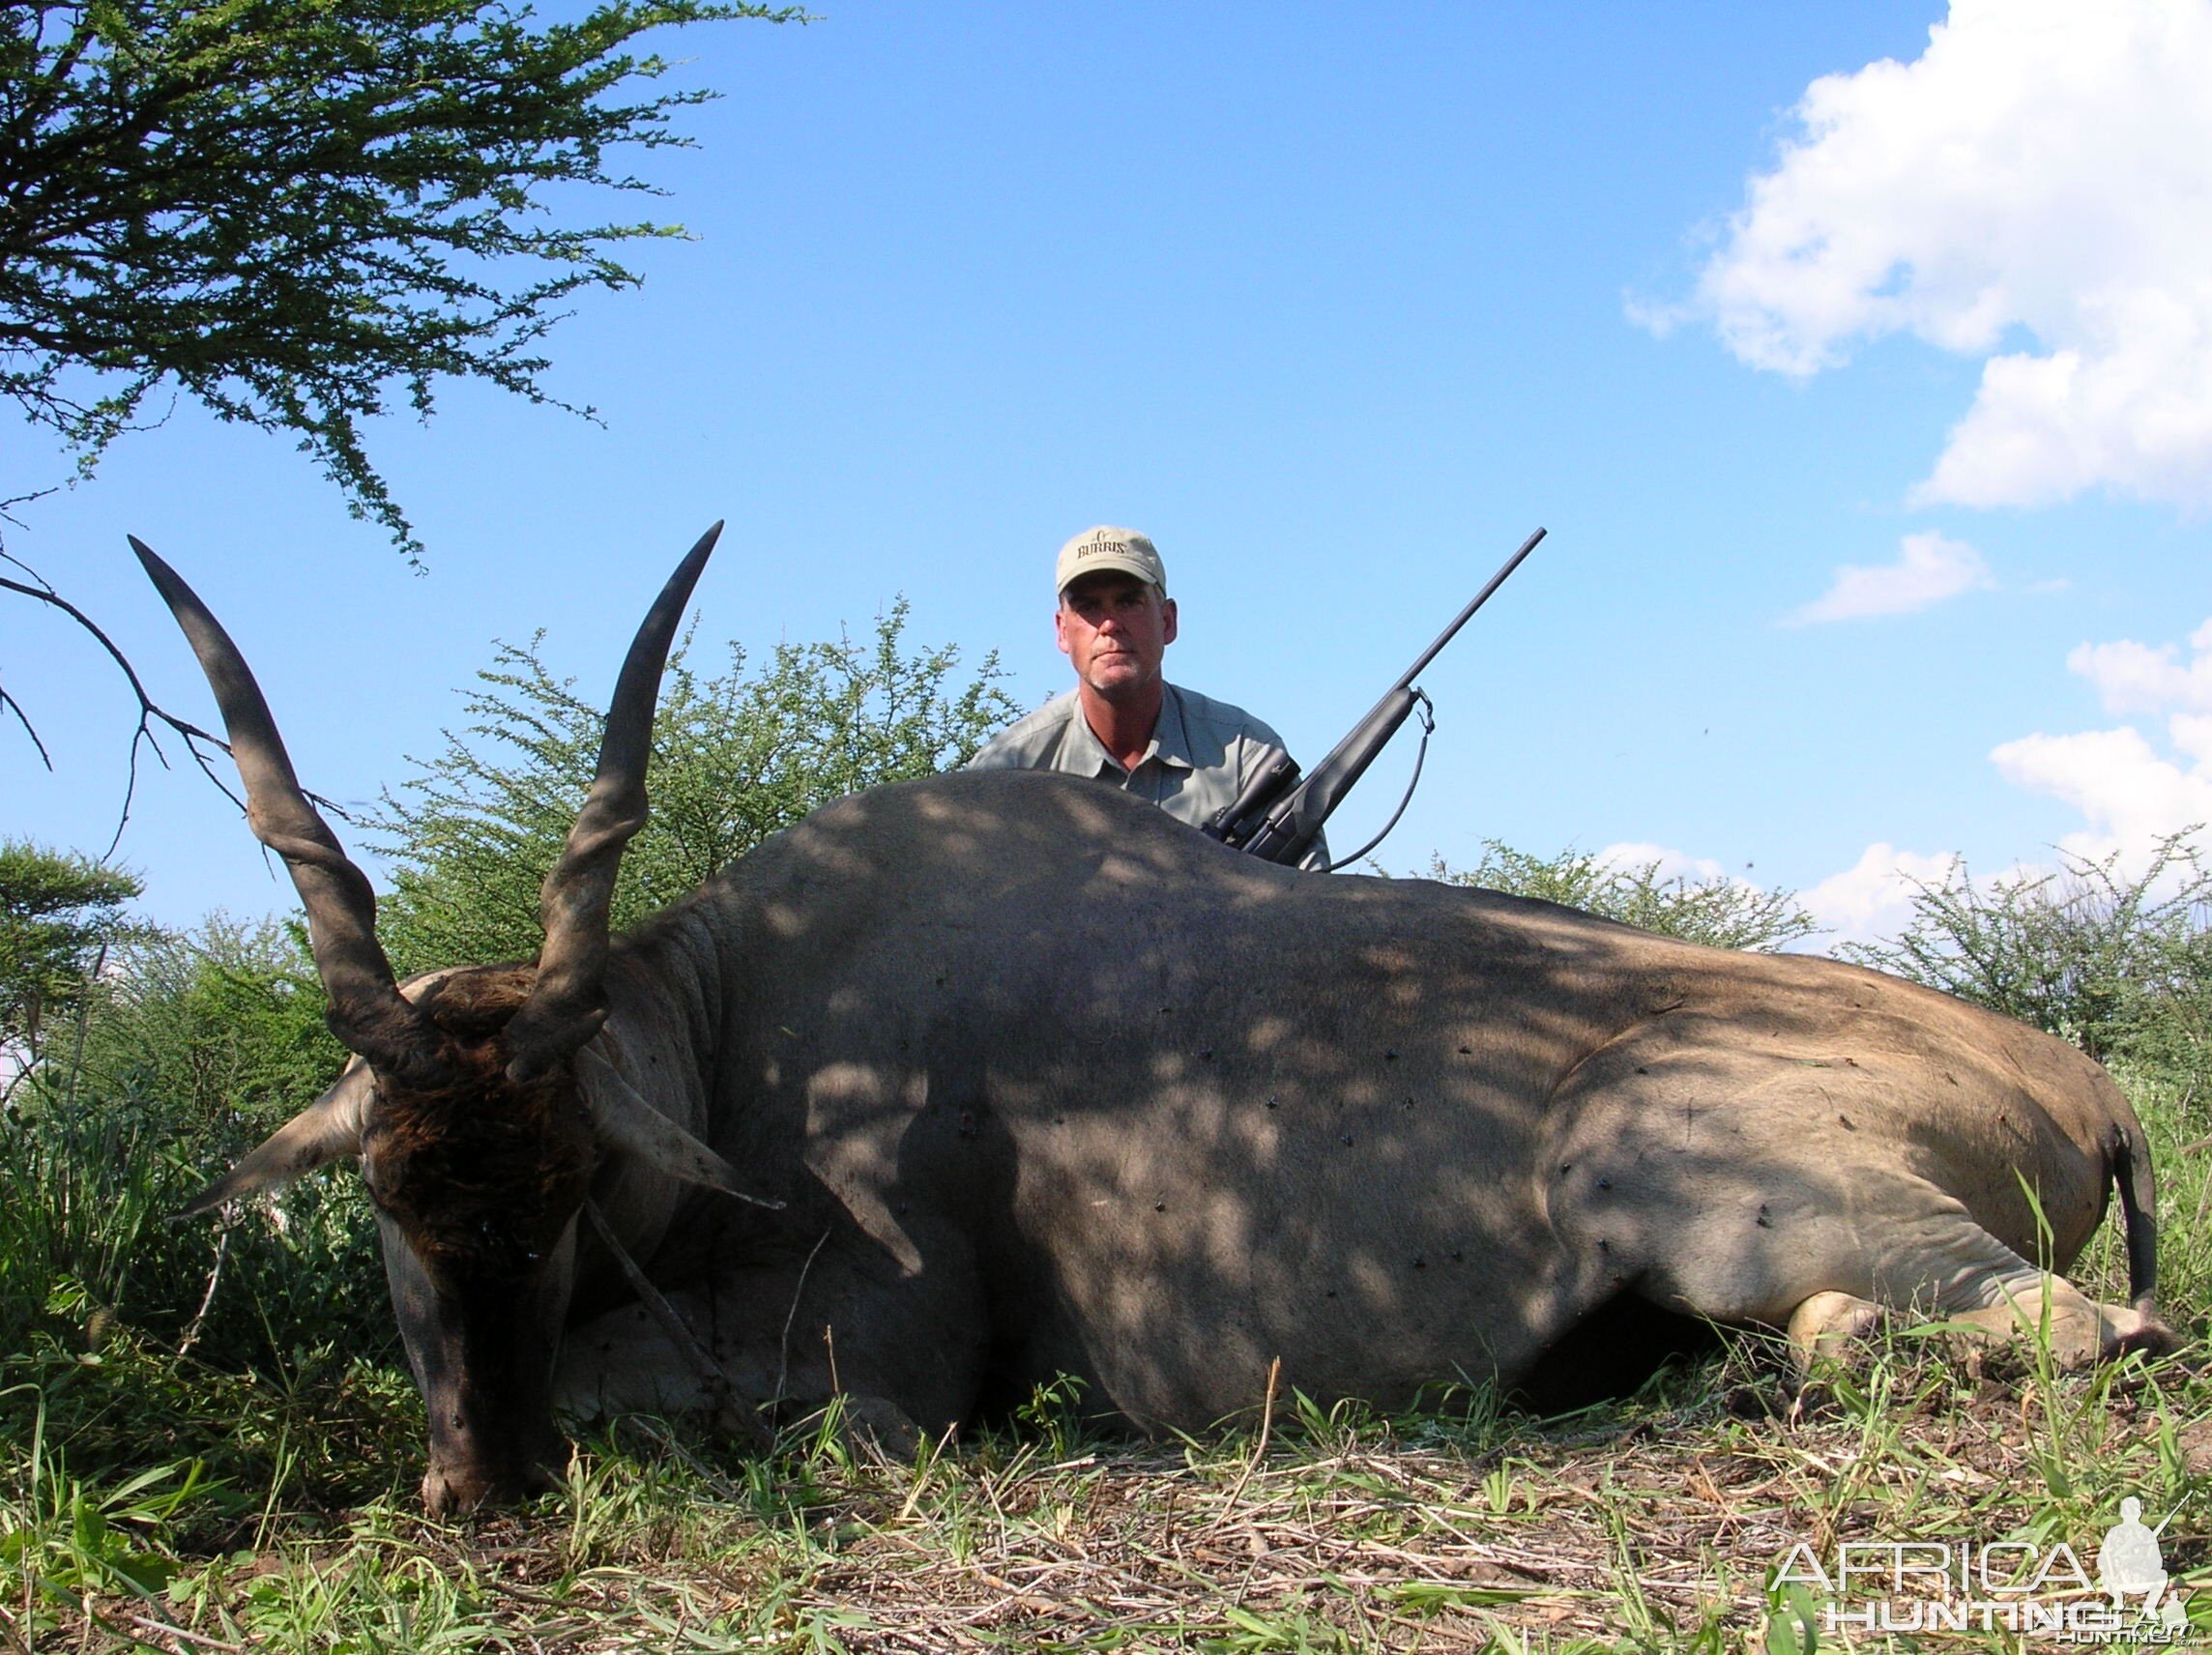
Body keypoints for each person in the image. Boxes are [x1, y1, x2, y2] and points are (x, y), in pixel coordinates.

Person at [969, 525, 1328, 869]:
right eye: (1088, 607)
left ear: (1168, 620)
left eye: (1128, 601)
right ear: (1063, 631)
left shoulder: (1247, 758)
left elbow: (1306, 912)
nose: (1109, 624)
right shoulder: (1006, 771)